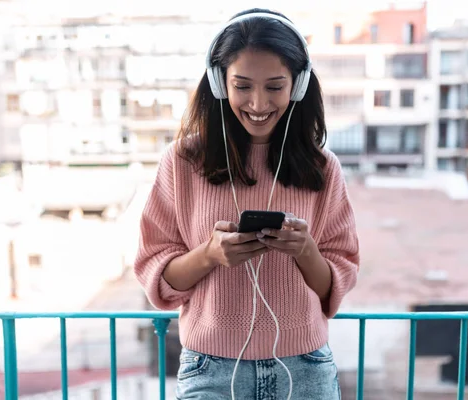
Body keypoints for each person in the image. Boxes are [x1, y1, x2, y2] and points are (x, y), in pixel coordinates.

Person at [134, 8, 360, 399]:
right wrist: (209, 255)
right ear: (220, 84)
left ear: (299, 85)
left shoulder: (323, 168)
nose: (258, 103)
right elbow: (157, 276)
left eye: (275, 87)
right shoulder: (181, 162)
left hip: (304, 368)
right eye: (243, 86)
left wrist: (306, 252)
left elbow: (333, 288)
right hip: (210, 369)